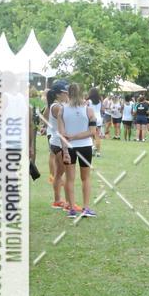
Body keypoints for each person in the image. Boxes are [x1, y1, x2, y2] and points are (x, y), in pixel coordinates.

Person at [57, 84, 97, 218]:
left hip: (68, 148)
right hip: (85, 147)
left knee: (70, 179)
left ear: (68, 93)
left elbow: (61, 133)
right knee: (85, 178)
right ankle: (85, 208)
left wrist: (65, 150)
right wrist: (74, 137)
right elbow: (92, 132)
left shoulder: (62, 110)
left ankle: (72, 209)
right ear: (82, 93)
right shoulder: (89, 110)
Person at [48, 81, 73, 211]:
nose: (67, 94)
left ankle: (57, 200)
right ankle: (68, 203)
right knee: (68, 174)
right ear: (58, 94)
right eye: (65, 92)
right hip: (59, 142)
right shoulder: (57, 107)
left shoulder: (57, 105)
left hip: (56, 141)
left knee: (59, 173)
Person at [87, 88, 103, 157]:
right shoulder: (100, 101)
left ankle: (92, 150)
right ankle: (98, 152)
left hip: (92, 118)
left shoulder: (89, 101)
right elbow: (102, 109)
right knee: (97, 136)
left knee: (91, 135)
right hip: (99, 118)